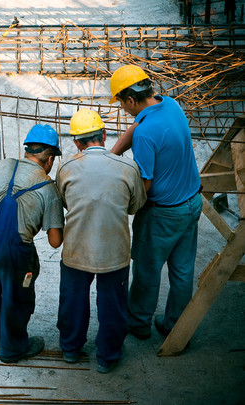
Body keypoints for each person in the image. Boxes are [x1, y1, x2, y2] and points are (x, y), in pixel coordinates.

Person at [110, 64, 203, 343]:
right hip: (192, 203)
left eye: (121, 104)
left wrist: (122, 202)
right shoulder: (170, 104)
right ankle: (176, 324)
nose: (123, 110)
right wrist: (112, 154)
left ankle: (138, 324)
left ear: (130, 100)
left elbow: (144, 185)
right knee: (183, 270)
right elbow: (138, 125)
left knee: (147, 271)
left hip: (163, 214)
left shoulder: (146, 135)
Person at [55, 108, 146, 373]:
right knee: (113, 306)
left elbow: (64, 201)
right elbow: (135, 206)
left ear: (76, 143)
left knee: (73, 301)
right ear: (105, 135)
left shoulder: (66, 167)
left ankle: (71, 349)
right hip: (114, 252)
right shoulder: (129, 167)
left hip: (76, 251)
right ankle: (108, 356)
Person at [0, 124, 64, 363]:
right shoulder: (48, 187)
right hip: (14, 250)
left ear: (27, 150)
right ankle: (12, 349)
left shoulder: (3, 165)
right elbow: (55, 242)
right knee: (16, 296)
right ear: (50, 159)